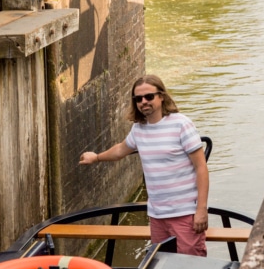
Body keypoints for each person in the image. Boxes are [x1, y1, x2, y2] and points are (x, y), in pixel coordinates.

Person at [79, 75, 209, 257]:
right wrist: (96, 158)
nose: (143, 102)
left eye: (149, 96)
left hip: (184, 213)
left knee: (191, 267)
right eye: (138, 99)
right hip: (157, 215)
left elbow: (201, 168)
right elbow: (120, 150)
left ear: (161, 96)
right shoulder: (139, 129)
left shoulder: (181, 124)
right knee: (161, 265)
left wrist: (201, 210)